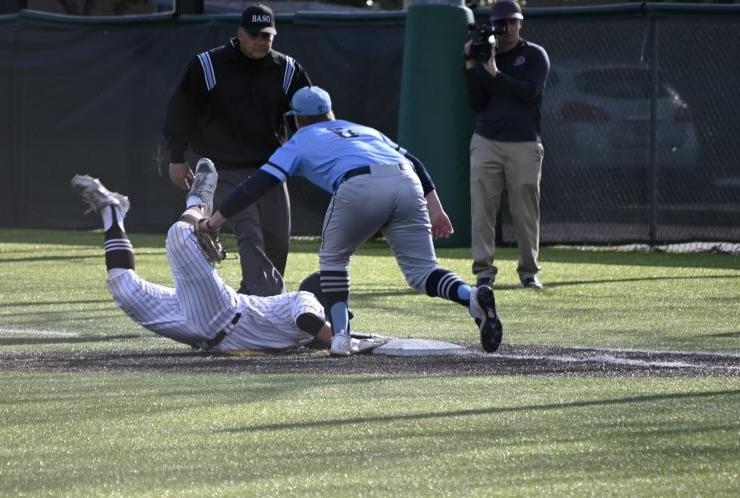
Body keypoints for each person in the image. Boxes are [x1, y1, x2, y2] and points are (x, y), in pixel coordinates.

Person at [195, 86, 504, 356]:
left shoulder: (300, 139)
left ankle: (341, 336)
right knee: (423, 271)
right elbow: (415, 163)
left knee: (333, 259)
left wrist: (217, 219)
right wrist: (436, 208)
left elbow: (257, 184)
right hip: (406, 180)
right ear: (331, 113)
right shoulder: (365, 130)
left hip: (359, 185)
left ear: (296, 119)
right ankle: (471, 296)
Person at [69, 161, 384, 355]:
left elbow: (310, 328)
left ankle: (113, 212)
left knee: (122, 286)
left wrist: (338, 338)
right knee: (179, 238)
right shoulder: (304, 299)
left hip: (202, 331)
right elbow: (308, 319)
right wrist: (339, 340)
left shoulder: (299, 336)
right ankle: (199, 201)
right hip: (219, 314)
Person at [163, 3, 311, 297]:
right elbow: (180, 112)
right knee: (250, 232)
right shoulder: (208, 65)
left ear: (274, 35)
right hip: (223, 167)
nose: (260, 41)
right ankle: (262, 301)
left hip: (270, 170)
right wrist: (176, 158)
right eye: (254, 35)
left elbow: (308, 116)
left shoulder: (288, 70)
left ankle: (255, 297)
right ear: (240, 34)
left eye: (266, 36)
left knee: (277, 239)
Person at [464, 0, 550, 289]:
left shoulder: (534, 55)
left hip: (524, 144)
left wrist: (494, 72)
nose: (508, 28)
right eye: (502, 23)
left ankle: (529, 273)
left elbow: (528, 93)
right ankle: (484, 274)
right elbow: (476, 102)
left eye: (513, 22)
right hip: (486, 141)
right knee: (482, 209)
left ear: (521, 23)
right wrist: (471, 64)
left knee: (525, 211)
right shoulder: (485, 56)